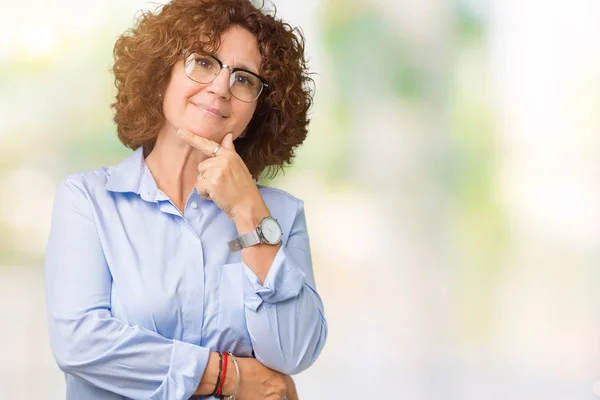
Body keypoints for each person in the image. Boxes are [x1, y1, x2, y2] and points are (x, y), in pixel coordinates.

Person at [43, 0, 328, 398]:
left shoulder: (279, 215)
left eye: (244, 79)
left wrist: (247, 211)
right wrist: (231, 377)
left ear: (259, 109)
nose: (221, 87)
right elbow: (80, 344)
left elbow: (293, 352)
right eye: (204, 62)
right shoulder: (89, 202)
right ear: (163, 74)